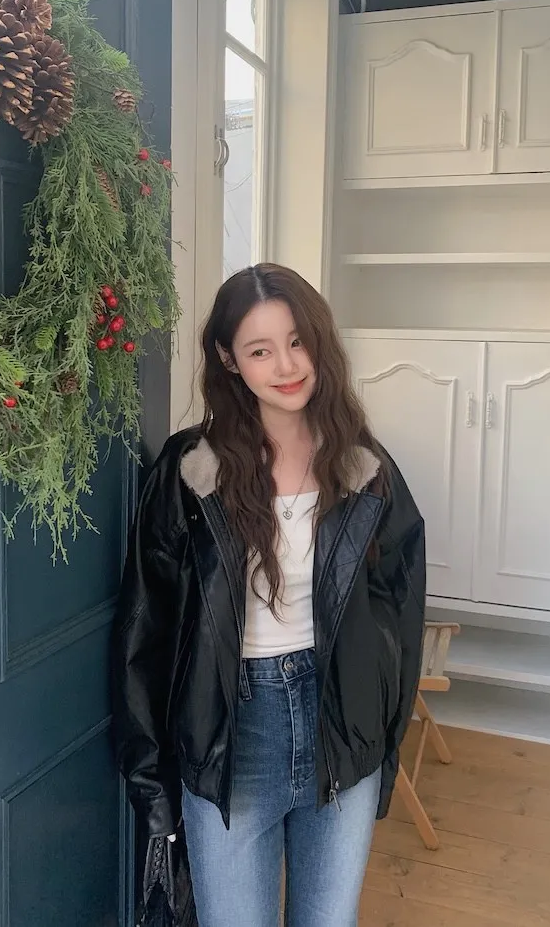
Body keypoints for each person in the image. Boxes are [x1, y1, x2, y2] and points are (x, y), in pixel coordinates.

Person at [111, 263, 426, 927]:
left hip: (341, 722)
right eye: (260, 350)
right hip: (231, 734)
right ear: (229, 359)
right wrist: (152, 785)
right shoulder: (190, 473)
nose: (286, 365)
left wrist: (383, 738)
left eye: (297, 340)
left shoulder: (364, 467)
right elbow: (145, 631)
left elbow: (399, 612)